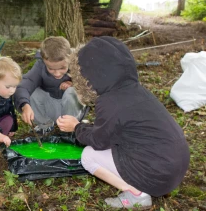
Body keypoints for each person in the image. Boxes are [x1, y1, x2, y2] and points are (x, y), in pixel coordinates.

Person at [56, 36, 190, 209]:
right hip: (175, 168)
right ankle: (146, 186)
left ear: (89, 75)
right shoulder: (136, 91)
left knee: (88, 156)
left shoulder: (109, 101)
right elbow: (115, 130)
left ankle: (137, 194)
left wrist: (76, 127)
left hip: (158, 174)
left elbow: (99, 141)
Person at [14, 36, 85, 135]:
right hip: (50, 108)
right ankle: (45, 126)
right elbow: (23, 85)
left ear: (69, 58)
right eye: (51, 69)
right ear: (43, 60)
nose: (57, 73)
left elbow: (90, 84)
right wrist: (24, 105)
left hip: (73, 112)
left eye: (62, 68)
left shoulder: (78, 62)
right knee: (33, 91)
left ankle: (70, 129)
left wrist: (75, 84)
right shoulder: (40, 66)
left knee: (72, 92)